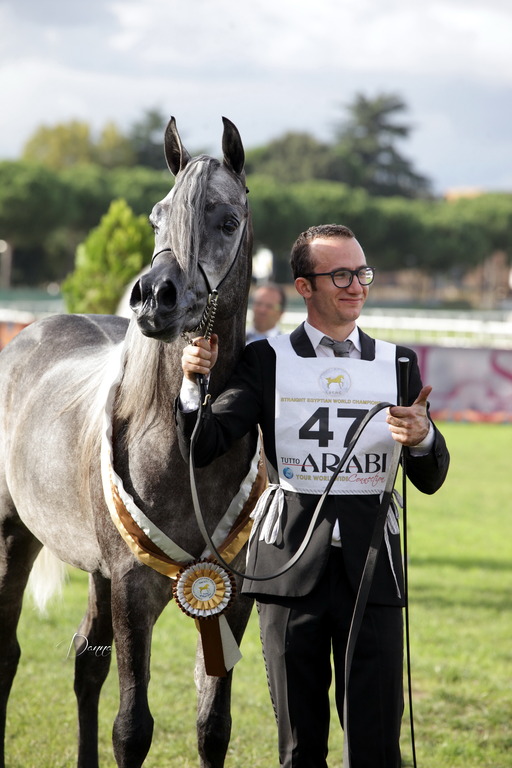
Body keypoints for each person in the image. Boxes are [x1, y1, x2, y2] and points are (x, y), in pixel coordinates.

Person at [176, 224, 450, 768]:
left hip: (374, 571)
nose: (356, 285)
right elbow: (204, 443)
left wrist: (423, 438)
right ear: (305, 286)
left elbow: (431, 475)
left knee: (375, 748)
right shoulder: (265, 360)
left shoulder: (398, 364)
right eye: (341, 274)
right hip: (286, 570)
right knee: (300, 749)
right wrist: (191, 383)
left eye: (362, 272)